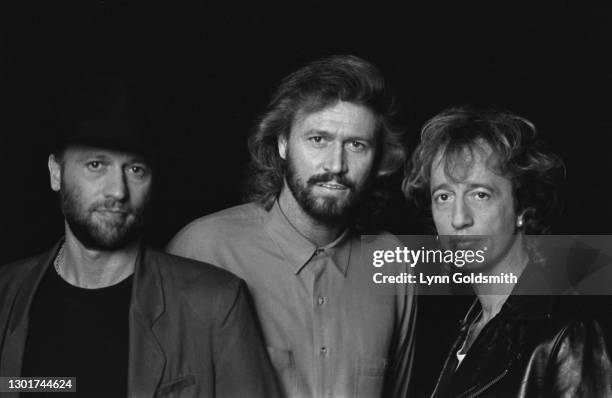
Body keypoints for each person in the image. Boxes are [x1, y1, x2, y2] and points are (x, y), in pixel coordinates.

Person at [0, 78, 280, 398]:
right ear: (56, 172)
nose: (117, 191)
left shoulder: (214, 302)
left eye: (135, 170)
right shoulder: (6, 295)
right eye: (96, 165)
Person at [168, 55, 416, 398]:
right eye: (318, 139)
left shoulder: (393, 260)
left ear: (378, 159)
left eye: (356, 145)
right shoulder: (204, 250)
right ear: (283, 143)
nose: (336, 165)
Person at [403, 106, 612, 397]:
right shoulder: (459, 327)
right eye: (444, 196)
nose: (458, 218)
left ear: (521, 208)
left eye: (480, 194)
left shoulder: (569, 331)